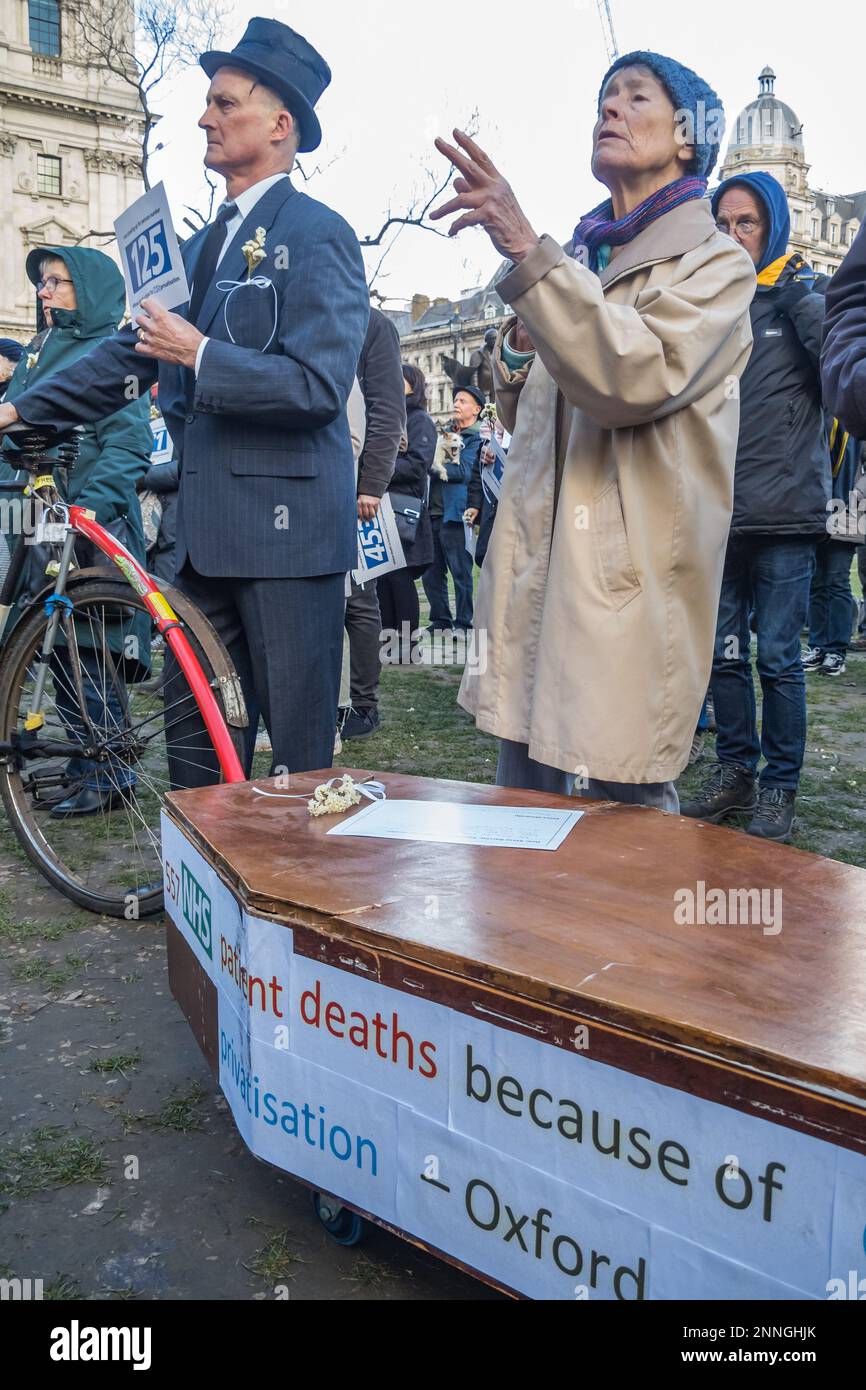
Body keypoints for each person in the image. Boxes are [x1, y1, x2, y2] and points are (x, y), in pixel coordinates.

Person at [0, 19, 370, 788]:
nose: (204, 118)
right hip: (196, 552)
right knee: (197, 765)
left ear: (279, 124)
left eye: (223, 103)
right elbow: (124, 359)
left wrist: (199, 353)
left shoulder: (321, 234)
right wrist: (17, 409)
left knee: (300, 776)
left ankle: (294, 903)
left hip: (287, 546)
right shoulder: (197, 250)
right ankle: (203, 899)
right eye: (206, 104)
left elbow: (315, 388)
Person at [431, 51, 755, 809]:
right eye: (603, 96)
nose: (609, 108)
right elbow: (532, 416)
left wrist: (525, 250)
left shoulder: (715, 264)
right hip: (540, 571)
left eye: (634, 96)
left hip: (625, 581)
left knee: (626, 817)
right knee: (523, 819)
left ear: (688, 137)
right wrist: (513, 352)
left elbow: (631, 378)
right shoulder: (582, 256)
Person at [682, 172, 828, 841]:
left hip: (786, 513)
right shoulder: (716, 308)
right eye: (724, 223)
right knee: (725, 656)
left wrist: (799, 293)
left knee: (777, 656)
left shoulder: (800, 293)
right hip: (721, 512)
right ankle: (735, 772)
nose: (734, 236)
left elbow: (839, 360)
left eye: (748, 223)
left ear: (773, 225)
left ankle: (780, 787)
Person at [0, 246, 152, 816]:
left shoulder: (110, 355)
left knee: (90, 649)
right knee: (56, 646)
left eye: (56, 283)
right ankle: (84, 759)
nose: (44, 292)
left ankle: (111, 772)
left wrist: (85, 513)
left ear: (84, 290)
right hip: (39, 524)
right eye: (42, 283)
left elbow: (129, 443)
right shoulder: (40, 351)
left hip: (89, 523)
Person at [341, 307, 405, 740]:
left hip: (359, 488)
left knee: (359, 600)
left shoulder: (372, 324)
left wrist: (371, 485)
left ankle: (363, 705)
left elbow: (386, 408)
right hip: (327, 482)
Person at [821, 222, 866, 651]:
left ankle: (833, 644)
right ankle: (827, 643)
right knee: (830, 577)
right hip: (837, 504)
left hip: (847, 505)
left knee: (835, 578)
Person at [377, 364, 437, 661]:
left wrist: (377, 469)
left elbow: (417, 465)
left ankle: (408, 646)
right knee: (384, 579)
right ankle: (388, 644)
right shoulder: (392, 417)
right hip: (384, 509)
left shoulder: (419, 420)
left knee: (400, 580)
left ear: (412, 384)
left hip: (405, 510)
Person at [803, 417, 863, 677]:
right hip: (816, 505)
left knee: (837, 579)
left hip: (848, 507)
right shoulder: (819, 414)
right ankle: (818, 645)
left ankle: (836, 650)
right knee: (816, 580)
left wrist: (857, 495)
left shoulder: (857, 418)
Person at [422, 385, 484, 632]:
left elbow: (463, 472)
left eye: (463, 401)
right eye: (456, 399)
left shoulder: (476, 439)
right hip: (432, 512)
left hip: (456, 514)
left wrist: (430, 465)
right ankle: (440, 620)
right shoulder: (445, 434)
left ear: (476, 410)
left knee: (461, 572)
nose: (456, 403)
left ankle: (464, 621)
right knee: (431, 572)